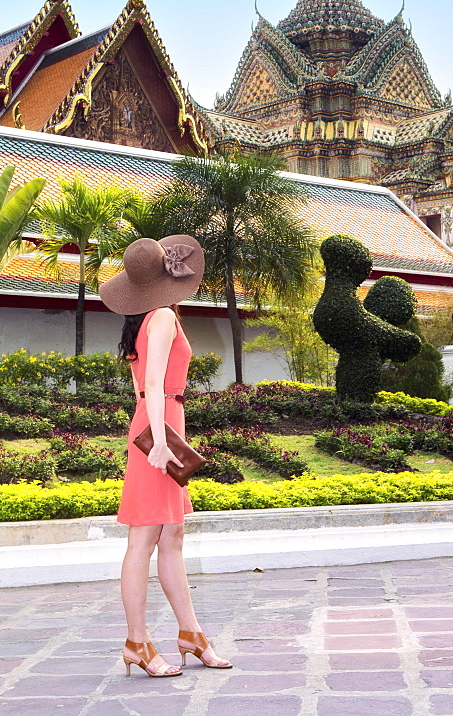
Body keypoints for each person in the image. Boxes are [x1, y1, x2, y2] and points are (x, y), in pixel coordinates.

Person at [99, 235, 232, 678]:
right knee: (144, 539)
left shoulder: (150, 317)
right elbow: (153, 385)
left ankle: (190, 634)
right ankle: (137, 642)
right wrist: (157, 441)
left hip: (164, 427)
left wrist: (161, 434)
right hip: (158, 431)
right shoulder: (161, 319)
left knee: (171, 535)